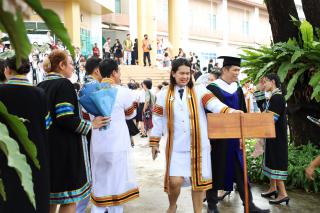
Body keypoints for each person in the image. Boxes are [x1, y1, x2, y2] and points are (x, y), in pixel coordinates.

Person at [150, 58, 242, 213]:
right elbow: (158, 119)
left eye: (188, 73)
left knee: (198, 183)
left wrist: (231, 111)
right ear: (173, 73)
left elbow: (215, 105)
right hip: (176, 147)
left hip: (199, 146)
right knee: (174, 182)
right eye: (181, 73)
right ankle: (173, 205)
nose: (185, 76)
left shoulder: (200, 90)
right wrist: (155, 141)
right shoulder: (163, 94)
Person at [38, 50, 107, 213]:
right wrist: (91, 125)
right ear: (61, 66)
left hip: (47, 148)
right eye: (70, 64)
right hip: (64, 150)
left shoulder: (40, 85)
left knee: (51, 198)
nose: (73, 68)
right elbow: (65, 117)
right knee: (69, 199)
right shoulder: (64, 84)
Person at [206, 56, 269, 213]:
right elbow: (208, 114)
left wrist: (242, 136)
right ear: (225, 70)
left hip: (234, 139)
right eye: (235, 70)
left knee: (241, 171)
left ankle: (249, 204)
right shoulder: (212, 88)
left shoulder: (237, 88)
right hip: (218, 139)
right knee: (215, 169)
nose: (237, 73)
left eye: (238, 70)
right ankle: (212, 206)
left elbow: (244, 113)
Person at [0, 56, 50, 213]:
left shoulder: (1, 92)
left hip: (6, 155)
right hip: (35, 154)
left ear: (7, 70)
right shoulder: (40, 93)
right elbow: (47, 125)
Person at [90, 59, 139, 213]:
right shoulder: (123, 91)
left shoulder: (92, 91)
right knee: (117, 187)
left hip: (98, 145)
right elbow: (131, 115)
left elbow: (86, 116)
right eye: (118, 72)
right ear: (113, 72)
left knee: (100, 186)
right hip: (118, 145)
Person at [76, 56, 103, 213]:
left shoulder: (85, 85)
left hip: (86, 134)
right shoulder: (94, 87)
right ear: (97, 70)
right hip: (93, 135)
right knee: (94, 174)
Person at [259, 73, 289, 205]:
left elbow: (271, 119)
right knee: (271, 160)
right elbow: (264, 110)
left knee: (276, 162)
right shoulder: (274, 96)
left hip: (277, 137)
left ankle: (282, 194)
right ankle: (273, 188)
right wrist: (259, 92)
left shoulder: (277, 98)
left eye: (265, 82)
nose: (263, 85)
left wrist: (258, 121)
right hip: (273, 135)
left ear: (272, 82)